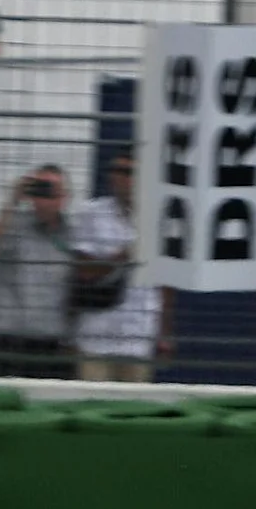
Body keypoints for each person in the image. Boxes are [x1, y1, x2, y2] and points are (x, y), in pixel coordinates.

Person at [70, 151, 165, 383]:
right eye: (116, 171)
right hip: (97, 332)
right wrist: (123, 256)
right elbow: (84, 271)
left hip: (139, 333)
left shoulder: (159, 217)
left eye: (129, 172)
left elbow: (166, 279)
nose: (121, 178)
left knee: (136, 406)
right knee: (91, 399)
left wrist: (165, 330)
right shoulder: (91, 214)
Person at [0, 164, 78, 376]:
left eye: (50, 191)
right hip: (6, 334)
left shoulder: (73, 234)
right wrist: (12, 201)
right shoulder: (14, 223)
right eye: (38, 191)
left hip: (49, 338)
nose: (42, 200)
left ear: (64, 197)